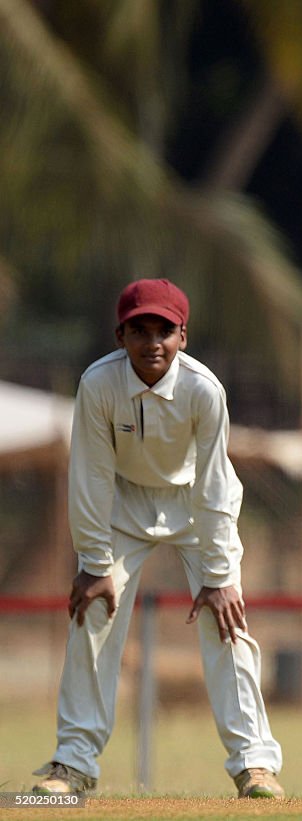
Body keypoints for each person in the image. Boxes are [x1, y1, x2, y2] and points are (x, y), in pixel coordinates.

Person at [33, 278, 284, 799]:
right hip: (124, 503)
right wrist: (94, 563)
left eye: (164, 331)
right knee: (93, 616)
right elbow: (91, 476)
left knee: (227, 621)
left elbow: (215, 482)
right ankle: (73, 764)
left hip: (195, 504)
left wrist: (218, 578)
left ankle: (254, 765)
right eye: (139, 330)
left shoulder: (203, 389)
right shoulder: (98, 384)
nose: (153, 343)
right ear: (119, 335)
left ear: (183, 337)